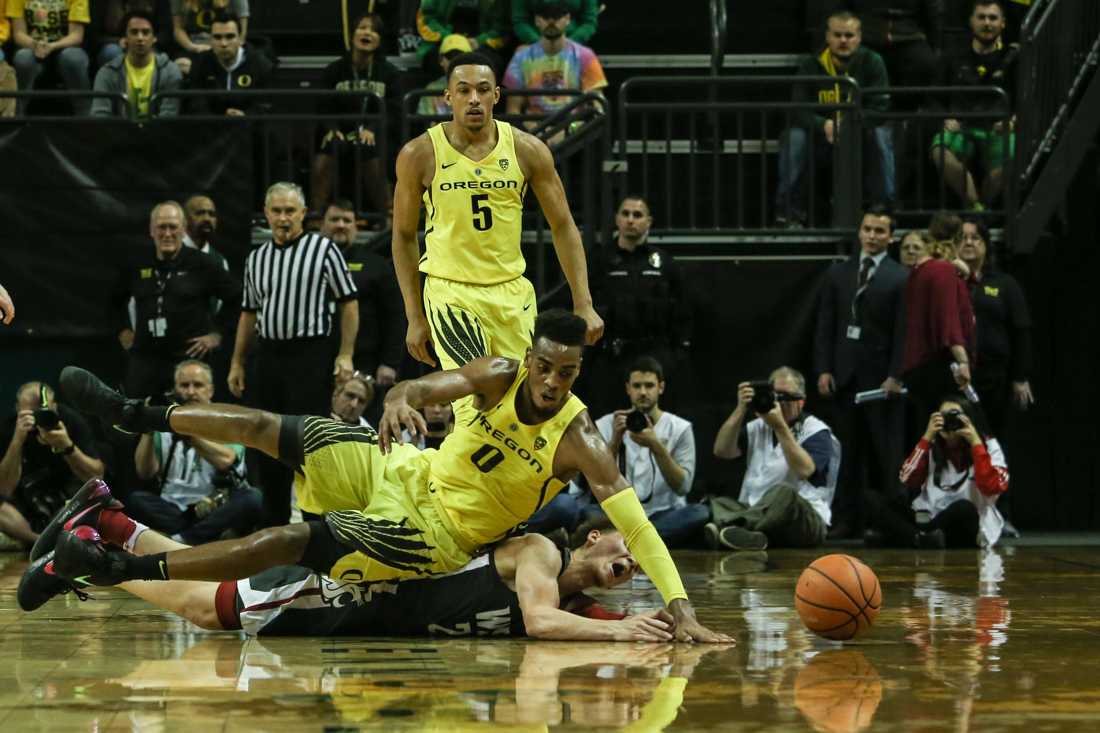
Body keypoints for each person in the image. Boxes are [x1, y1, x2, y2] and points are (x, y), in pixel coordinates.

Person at [51, 310, 728, 642]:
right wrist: (404, 394)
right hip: (404, 469)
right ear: (530, 357)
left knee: (293, 537)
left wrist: (681, 610)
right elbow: (432, 384)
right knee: (279, 427)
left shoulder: (580, 440)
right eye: (545, 366)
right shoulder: (499, 374)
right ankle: (132, 413)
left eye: (567, 373)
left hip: (431, 535)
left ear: (580, 372)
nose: (552, 382)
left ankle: (114, 566)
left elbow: (640, 529)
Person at [22, 518, 676, 642]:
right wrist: (622, 638)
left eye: (638, 568)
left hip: (354, 610)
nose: (632, 563)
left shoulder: (577, 603)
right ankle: (91, 558)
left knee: (203, 566)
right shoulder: (538, 552)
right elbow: (538, 621)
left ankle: (111, 521)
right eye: (629, 547)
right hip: (343, 589)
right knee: (203, 608)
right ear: (592, 535)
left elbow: (589, 623)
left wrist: (664, 628)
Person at [391, 52, 603, 423]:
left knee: (527, 404)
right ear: (448, 97)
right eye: (464, 90)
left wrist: (583, 301)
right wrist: (414, 315)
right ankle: (456, 481)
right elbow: (404, 236)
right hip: (451, 292)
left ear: (496, 97)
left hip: (511, 292)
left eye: (483, 90)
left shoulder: (527, 149)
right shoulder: (419, 154)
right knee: (476, 402)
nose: (474, 98)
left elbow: (564, 225)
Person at [229, 181, 359, 526]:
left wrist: (345, 354)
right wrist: (237, 362)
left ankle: (315, 527)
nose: (283, 218)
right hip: (269, 356)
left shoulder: (323, 249)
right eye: (277, 211)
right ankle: (274, 529)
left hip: (310, 356)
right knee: (267, 441)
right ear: (266, 214)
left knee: (308, 442)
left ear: (303, 214)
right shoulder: (257, 258)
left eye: (290, 211)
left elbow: (349, 303)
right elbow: (248, 313)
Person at [814, 205, 907, 538]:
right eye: (867, 229)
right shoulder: (839, 274)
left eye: (880, 231)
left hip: (881, 382)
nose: (872, 236)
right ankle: (844, 520)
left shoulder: (900, 277)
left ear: (891, 237)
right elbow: (825, 325)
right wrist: (823, 368)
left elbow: (903, 332)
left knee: (885, 454)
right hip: (844, 379)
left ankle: (884, 523)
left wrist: (896, 373)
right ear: (859, 231)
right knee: (845, 456)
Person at [570, 357, 705, 549]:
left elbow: (683, 487)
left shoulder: (680, 428)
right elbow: (587, 483)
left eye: (649, 386)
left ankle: (622, 540)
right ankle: (646, 541)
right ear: (628, 388)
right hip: (616, 513)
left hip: (662, 512)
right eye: (637, 386)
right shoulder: (607, 424)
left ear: (661, 387)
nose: (643, 392)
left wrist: (657, 446)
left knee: (699, 512)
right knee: (587, 511)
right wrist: (615, 441)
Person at [776, 11, 894, 227]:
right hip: (821, 138)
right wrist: (824, 125)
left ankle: (883, 209)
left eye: (849, 35)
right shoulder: (811, 65)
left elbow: (880, 107)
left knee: (881, 133)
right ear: (827, 37)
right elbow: (799, 108)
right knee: (794, 137)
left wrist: (850, 125)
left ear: (859, 37)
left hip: (860, 135)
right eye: (837, 35)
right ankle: (789, 213)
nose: (843, 41)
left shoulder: (872, 62)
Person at [114, 200, 240, 400]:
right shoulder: (137, 264)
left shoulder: (203, 264)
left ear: (183, 230)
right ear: (151, 230)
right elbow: (114, 301)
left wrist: (217, 335)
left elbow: (237, 298)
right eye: (161, 227)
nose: (167, 234)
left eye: (173, 227)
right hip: (146, 361)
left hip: (187, 361)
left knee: (190, 421)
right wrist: (123, 330)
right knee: (141, 421)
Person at [128, 360, 260, 545]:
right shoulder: (163, 423)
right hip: (172, 508)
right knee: (136, 500)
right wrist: (148, 428)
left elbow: (228, 460)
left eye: (197, 385)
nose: (190, 392)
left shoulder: (227, 422)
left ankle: (181, 540)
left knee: (252, 499)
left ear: (210, 391)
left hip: (213, 506)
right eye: (184, 385)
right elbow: (145, 472)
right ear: (174, 390)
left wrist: (189, 435)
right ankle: (199, 537)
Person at [708, 368, 841, 550]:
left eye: (784, 397)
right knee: (719, 502)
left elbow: (805, 470)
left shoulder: (816, 430)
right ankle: (754, 536)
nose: (778, 402)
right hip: (755, 510)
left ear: (800, 400)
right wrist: (740, 409)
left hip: (804, 518)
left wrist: (780, 427)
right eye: (774, 395)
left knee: (783, 493)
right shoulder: (758, 427)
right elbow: (721, 450)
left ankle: (730, 527)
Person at [584, 194, 691, 419]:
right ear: (617, 219)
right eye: (626, 214)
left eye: (638, 215)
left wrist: (677, 354)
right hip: (613, 357)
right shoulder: (600, 261)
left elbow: (683, 311)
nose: (631, 220)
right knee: (610, 420)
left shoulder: (663, 263)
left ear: (649, 222)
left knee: (658, 422)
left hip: (656, 355)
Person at [865, 395, 1008, 548]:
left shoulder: (988, 448)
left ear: (968, 420)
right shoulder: (932, 446)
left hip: (964, 523)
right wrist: (926, 437)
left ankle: (910, 538)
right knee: (871, 498)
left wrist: (975, 443)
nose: (949, 422)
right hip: (930, 520)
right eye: (943, 417)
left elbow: (991, 487)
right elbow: (907, 479)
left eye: (955, 416)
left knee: (964, 508)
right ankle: (920, 539)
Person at [311, 12, 399, 218]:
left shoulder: (390, 74)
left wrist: (372, 129)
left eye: (373, 30)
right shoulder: (334, 71)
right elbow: (323, 106)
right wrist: (332, 129)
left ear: (379, 40)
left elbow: (394, 111)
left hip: (376, 134)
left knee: (369, 147)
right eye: (362, 28)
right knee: (327, 149)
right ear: (352, 35)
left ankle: (388, 216)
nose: (367, 33)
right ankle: (315, 216)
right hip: (340, 132)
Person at [930, 1, 1017, 210]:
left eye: (993, 18)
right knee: (939, 150)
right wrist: (945, 117)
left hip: (998, 128)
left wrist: (1015, 119)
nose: (987, 23)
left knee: (1014, 157)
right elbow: (934, 97)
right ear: (971, 21)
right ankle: (976, 208)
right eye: (981, 17)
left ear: (1003, 23)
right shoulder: (952, 56)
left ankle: (981, 208)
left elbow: (1026, 99)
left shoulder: (1014, 58)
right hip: (962, 127)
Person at [0, 383, 104, 549]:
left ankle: (47, 541)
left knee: (90, 505)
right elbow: (3, 489)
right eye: (30, 412)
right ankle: (38, 542)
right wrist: (17, 441)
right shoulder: (10, 428)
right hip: (25, 503)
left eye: (42, 411)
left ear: (54, 406)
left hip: (65, 501)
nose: (37, 418)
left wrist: (68, 447)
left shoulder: (69, 421)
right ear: (18, 409)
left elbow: (97, 477)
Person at [320, 199, 405, 399]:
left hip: (365, 361)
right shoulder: (308, 262)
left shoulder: (376, 265)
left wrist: (389, 363)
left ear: (355, 227)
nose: (341, 225)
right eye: (334, 219)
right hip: (317, 358)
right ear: (321, 224)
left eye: (347, 220)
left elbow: (395, 316)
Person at [956, 218, 1033, 433]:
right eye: (962, 238)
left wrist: (1020, 377)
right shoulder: (946, 282)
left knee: (993, 439)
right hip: (956, 377)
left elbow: (1021, 332)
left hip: (995, 378)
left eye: (975, 237)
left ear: (986, 245)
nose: (968, 242)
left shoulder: (1005, 284)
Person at [899, 236, 976, 424]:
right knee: (952, 432)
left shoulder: (917, 275)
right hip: (941, 367)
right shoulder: (943, 270)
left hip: (919, 369)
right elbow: (947, 320)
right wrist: (963, 361)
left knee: (928, 432)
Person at [503, 1, 607, 129]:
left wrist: (572, 129)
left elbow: (598, 105)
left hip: (575, 131)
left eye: (557, 16)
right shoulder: (521, 58)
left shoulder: (586, 56)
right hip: (533, 131)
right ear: (537, 20)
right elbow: (513, 111)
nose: (551, 22)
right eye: (546, 17)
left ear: (568, 19)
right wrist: (531, 133)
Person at [822, 1, 942, 89]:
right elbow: (839, 10)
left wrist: (935, 45)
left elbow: (931, 14)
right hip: (866, 34)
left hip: (907, 35)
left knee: (924, 62)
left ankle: (905, 115)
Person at [92, 9, 183, 118]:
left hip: (158, 133)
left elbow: (168, 117)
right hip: (119, 133)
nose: (140, 38)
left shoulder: (170, 72)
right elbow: (100, 117)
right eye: (134, 32)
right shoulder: (107, 73)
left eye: (146, 32)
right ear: (125, 38)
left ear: (154, 38)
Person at [6, 0, 91, 116]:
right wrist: (35, 45)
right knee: (23, 58)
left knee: (74, 58)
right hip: (32, 48)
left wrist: (52, 46)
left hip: (64, 48)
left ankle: (85, 114)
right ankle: (17, 113)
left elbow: (76, 36)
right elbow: (18, 34)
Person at [187, 10, 272, 116]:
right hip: (212, 127)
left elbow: (264, 105)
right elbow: (196, 104)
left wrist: (246, 115)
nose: (223, 43)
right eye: (217, 37)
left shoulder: (260, 64)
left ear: (240, 39)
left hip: (248, 128)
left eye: (230, 37)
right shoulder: (200, 64)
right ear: (210, 40)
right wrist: (219, 118)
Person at [415, 0, 510, 75]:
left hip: (480, 45)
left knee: (489, 65)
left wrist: (479, 41)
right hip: (443, 41)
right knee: (439, 61)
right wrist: (451, 39)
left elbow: (500, 28)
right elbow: (426, 19)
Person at [170, 0, 249, 76]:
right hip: (195, 48)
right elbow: (178, 30)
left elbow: (242, 35)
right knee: (178, 67)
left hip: (225, 48)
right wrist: (194, 47)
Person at [416, 33, 471, 119]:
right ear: (441, 60)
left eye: (461, 57)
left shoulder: (481, 88)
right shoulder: (431, 90)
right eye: (450, 56)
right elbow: (428, 125)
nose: (455, 62)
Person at [512, 0, 598, 46]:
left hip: (574, 44)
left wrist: (568, 45)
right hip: (533, 43)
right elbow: (520, 21)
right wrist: (538, 44)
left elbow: (589, 22)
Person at [182, 194, 229, 270]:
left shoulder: (220, 262)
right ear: (185, 218)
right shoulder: (172, 253)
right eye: (200, 213)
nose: (207, 219)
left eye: (211, 214)